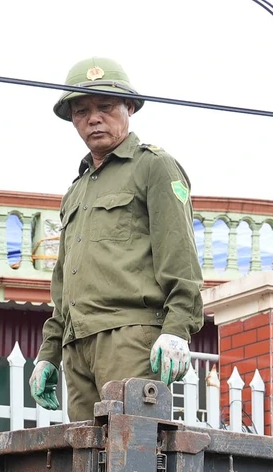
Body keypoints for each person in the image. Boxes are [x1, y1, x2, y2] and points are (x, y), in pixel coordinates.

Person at [30, 58, 204, 421]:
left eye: (105, 107)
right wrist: (48, 353)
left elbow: (181, 258)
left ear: (130, 108)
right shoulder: (74, 192)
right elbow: (63, 284)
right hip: (77, 346)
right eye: (82, 110)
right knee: (88, 466)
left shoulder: (154, 166)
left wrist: (177, 330)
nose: (94, 118)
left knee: (133, 459)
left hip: (130, 338)